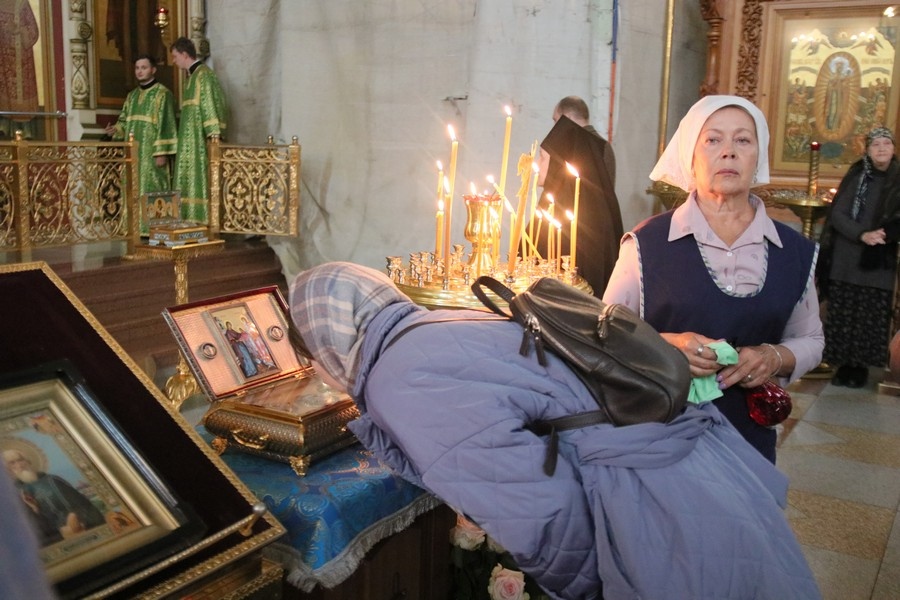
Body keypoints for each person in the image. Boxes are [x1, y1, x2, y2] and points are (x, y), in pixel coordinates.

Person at [289, 261, 820, 599]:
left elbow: (532, 503)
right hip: (683, 466)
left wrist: (589, 585)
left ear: (327, 336)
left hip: (648, 507)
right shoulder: (436, 322)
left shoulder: (399, 377)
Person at [603, 95, 824, 463]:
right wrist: (668, 345)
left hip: (749, 439)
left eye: (743, 140)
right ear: (691, 156)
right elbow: (607, 332)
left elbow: (811, 339)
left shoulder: (794, 251)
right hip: (660, 433)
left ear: (758, 157)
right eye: (713, 139)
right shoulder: (647, 243)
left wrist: (772, 357)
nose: (729, 152)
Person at [818, 127, 900, 388]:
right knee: (844, 313)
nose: (881, 149)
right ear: (868, 150)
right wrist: (862, 234)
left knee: (870, 315)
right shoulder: (857, 176)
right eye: (876, 145)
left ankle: (860, 368)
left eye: (886, 144)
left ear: (893, 148)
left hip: (879, 259)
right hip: (848, 256)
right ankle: (842, 366)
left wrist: (885, 234)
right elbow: (838, 214)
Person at [537, 97, 623, 296]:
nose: (554, 128)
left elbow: (591, 197)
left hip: (583, 235)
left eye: (556, 120)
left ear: (566, 118)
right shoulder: (598, 145)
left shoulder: (590, 146)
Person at [105, 54, 178, 234]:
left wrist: (161, 151)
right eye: (137, 68)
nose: (139, 71)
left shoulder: (163, 94)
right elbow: (124, 121)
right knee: (133, 186)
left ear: (153, 70)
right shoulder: (132, 96)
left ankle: (158, 229)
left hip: (152, 153)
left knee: (155, 186)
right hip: (134, 153)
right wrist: (115, 129)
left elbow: (167, 125)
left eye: (144, 68)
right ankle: (135, 229)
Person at [170, 37, 228, 224]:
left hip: (199, 141)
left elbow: (210, 103)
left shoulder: (203, 75)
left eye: (175, 56)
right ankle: (188, 218)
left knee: (201, 177)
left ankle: (202, 220)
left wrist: (213, 135)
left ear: (184, 54)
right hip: (188, 141)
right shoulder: (191, 78)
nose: (174, 61)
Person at [3, 447, 106, 545]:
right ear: (7, 469)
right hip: (56, 537)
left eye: (20, 460)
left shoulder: (53, 480)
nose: (19, 465)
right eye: (12, 463)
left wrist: (81, 522)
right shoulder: (14, 494)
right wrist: (35, 510)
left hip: (83, 525)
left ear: (28, 461)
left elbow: (83, 504)